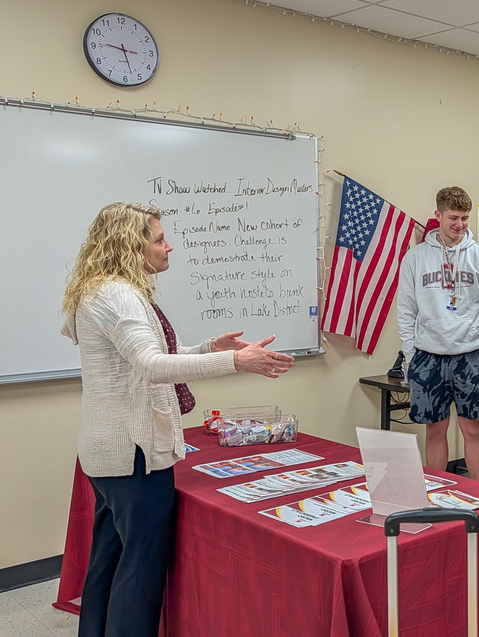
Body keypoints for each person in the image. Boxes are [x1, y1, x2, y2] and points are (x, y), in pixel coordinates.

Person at [61, 202, 294, 637]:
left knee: (109, 561)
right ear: (132, 246)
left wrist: (209, 347)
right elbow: (151, 365)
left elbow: (150, 359)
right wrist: (235, 361)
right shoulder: (119, 295)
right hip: (133, 455)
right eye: (158, 239)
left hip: (108, 452)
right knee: (141, 569)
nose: (170, 247)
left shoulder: (101, 289)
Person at [397, 186, 479, 481]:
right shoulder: (415, 258)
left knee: (472, 429)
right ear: (438, 215)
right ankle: (436, 493)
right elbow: (405, 310)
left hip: (470, 356)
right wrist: (410, 355)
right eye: (454, 217)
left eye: (465, 218)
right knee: (435, 429)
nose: (460, 224)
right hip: (428, 356)